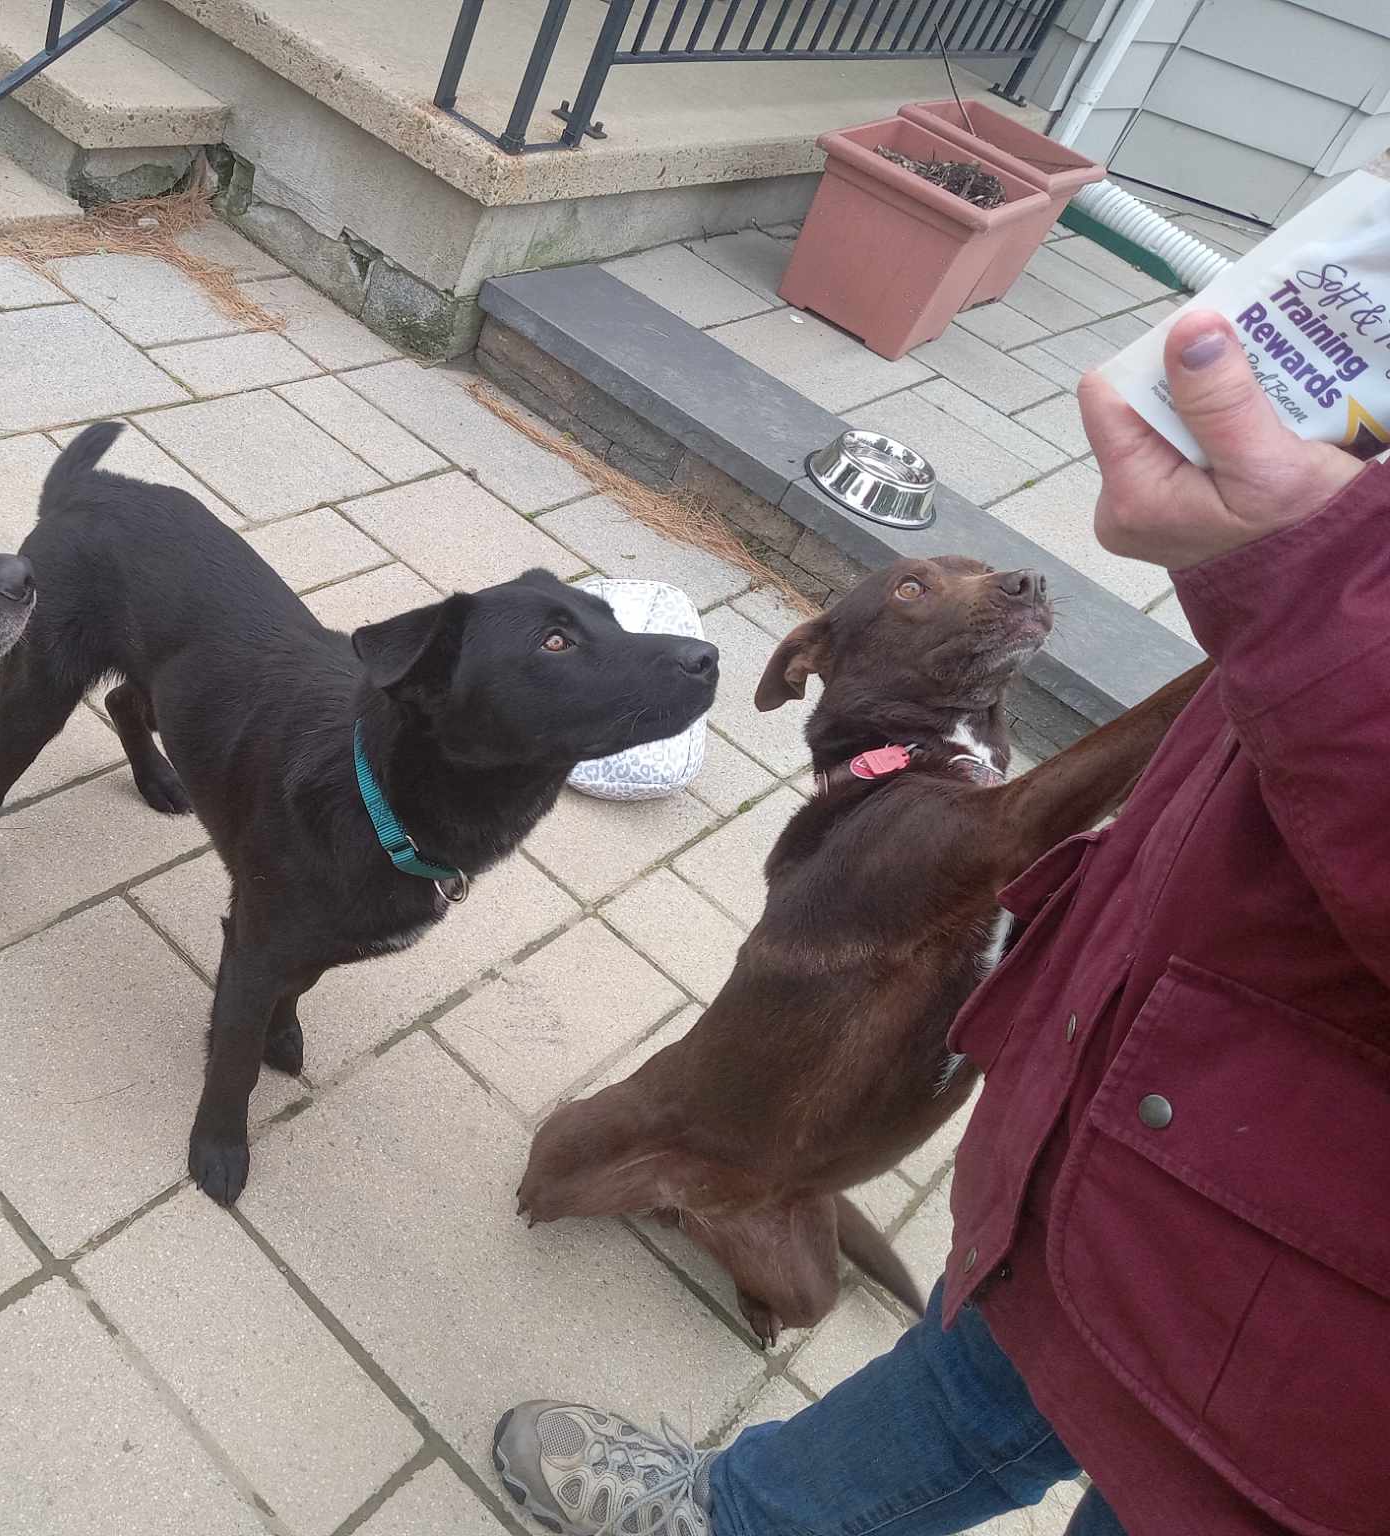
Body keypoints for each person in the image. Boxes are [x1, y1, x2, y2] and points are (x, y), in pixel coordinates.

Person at [492, 308, 1388, 1536]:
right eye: (921, 582)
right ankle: (735, 1471)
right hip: (1167, 1150)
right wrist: (1271, 627)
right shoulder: (890, 816)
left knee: (890, 1335)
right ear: (818, 667)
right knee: (561, 1174)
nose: (995, 585)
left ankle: (735, 1434)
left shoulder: (933, 802)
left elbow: (1019, 828)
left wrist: (1275, 611)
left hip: (1297, 1263)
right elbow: (1020, 832)